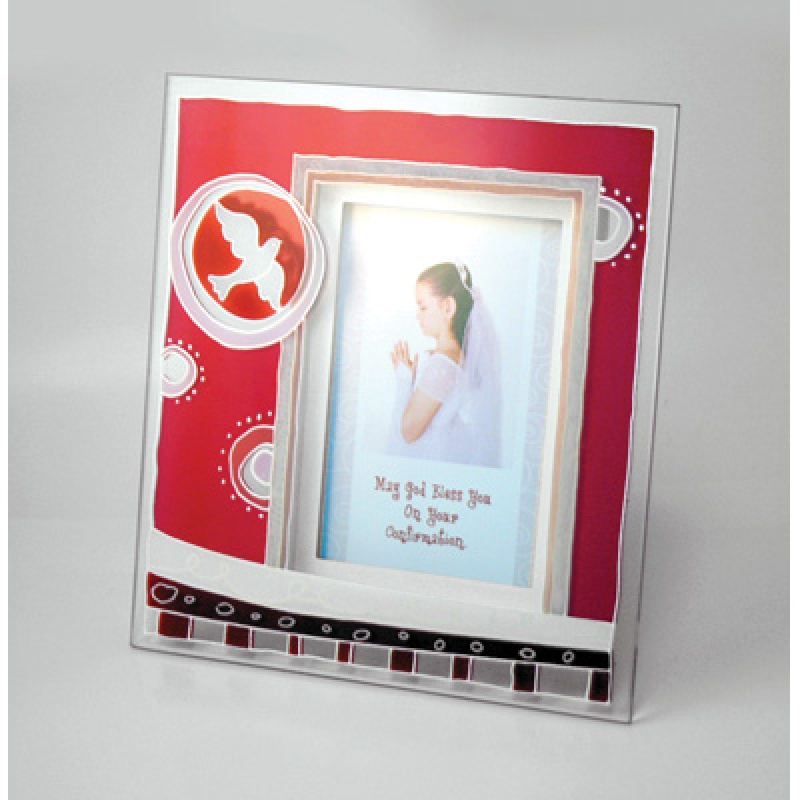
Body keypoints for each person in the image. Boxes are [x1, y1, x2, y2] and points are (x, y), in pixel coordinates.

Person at [388, 262, 502, 467]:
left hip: (427, 458)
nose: (418, 315)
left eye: (423, 307)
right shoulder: (450, 358)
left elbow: (408, 431)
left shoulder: (443, 366)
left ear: (448, 307)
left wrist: (404, 379)